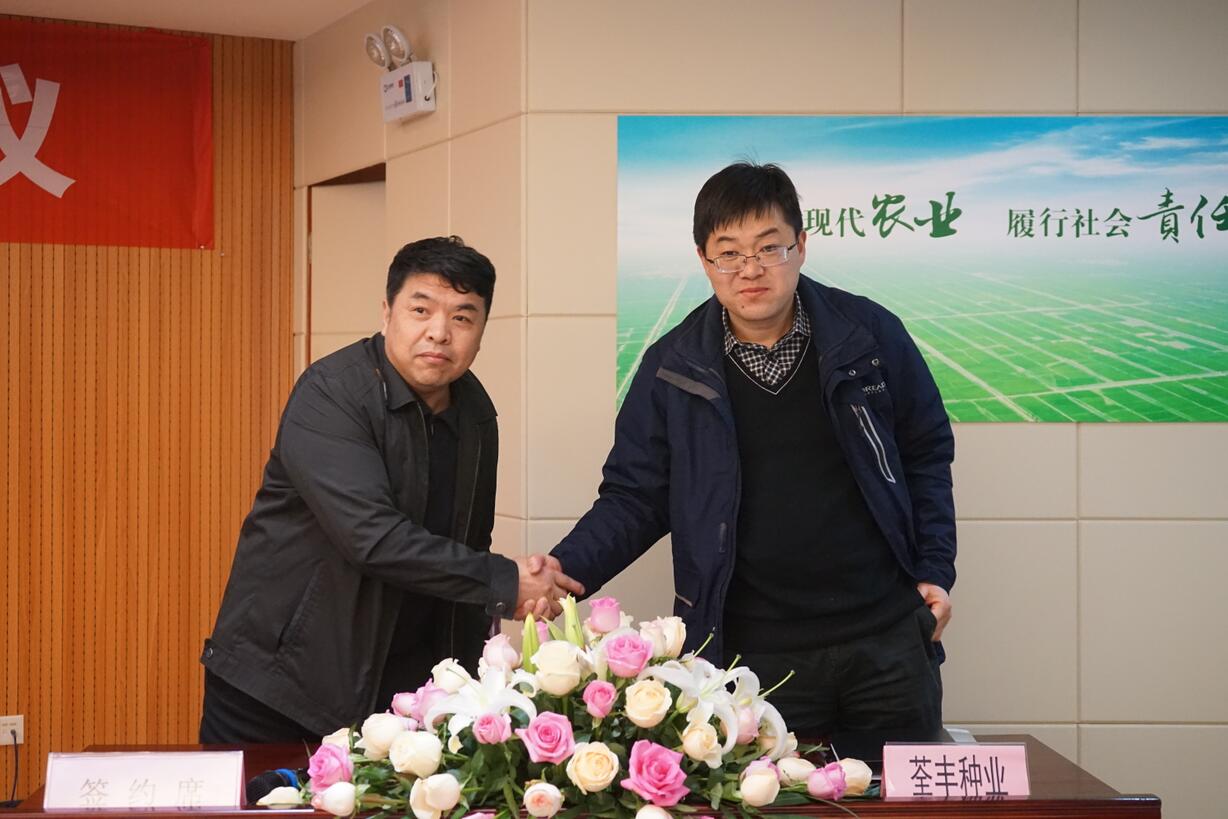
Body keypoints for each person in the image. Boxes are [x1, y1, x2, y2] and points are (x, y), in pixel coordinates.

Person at [548, 163, 956, 737]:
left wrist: (936, 569)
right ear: (703, 260)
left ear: (801, 245)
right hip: (752, 657)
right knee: (768, 787)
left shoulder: (868, 335)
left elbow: (925, 454)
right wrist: (561, 573)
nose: (750, 269)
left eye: (769, 247)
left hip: (887, 642)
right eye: (729, 253)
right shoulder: (672, 367)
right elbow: (636, 497)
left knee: (895, 789)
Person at [200, 236, 583, 743]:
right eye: (421, 310)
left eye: (462, 317)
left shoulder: (474, 411)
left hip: (402, 696)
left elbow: (468, 542)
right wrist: (506, 583)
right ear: (387, 312)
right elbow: (371, 537)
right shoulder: (331, 393)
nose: (439, 332)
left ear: (482, 331)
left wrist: (467, 680)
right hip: (279, 687)